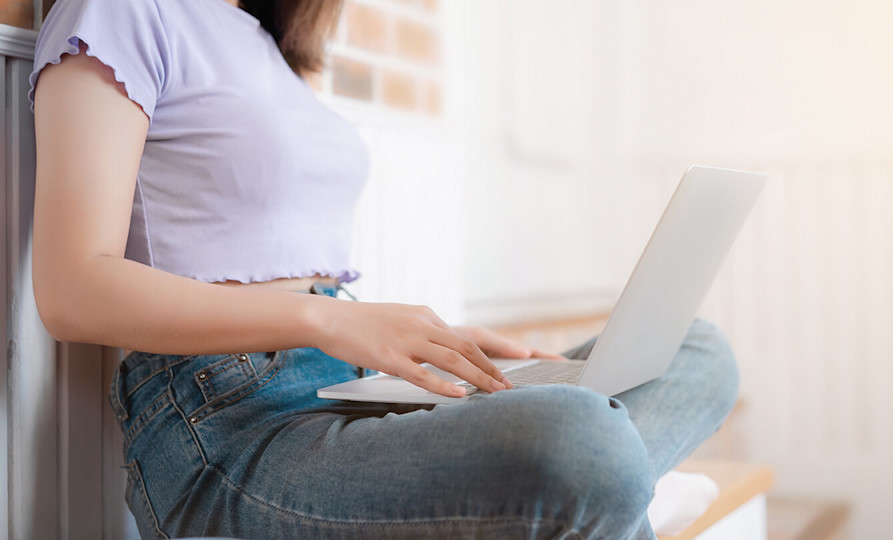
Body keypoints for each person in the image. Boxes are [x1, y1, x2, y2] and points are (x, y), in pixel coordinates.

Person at [29, 0, 739, 538]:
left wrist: (425, 340)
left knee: (697, 354)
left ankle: (599, 488)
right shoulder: (122, 9)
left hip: (344, 385)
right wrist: (331, 317)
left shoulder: (261, 37)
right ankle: (607, 488)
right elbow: (71, 288)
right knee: (584, 439)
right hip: (225, 424)